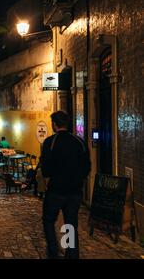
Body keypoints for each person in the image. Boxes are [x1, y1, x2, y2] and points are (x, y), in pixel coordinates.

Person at [41, 111, 90, 259]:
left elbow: (46, 169)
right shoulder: (79, 141)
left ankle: (53, 250)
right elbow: (87, 167)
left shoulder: (50, 142)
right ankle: (71, 254)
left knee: (48, 220)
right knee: (70, 223)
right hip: (74, 192)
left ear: (54, 124)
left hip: (56, 191)